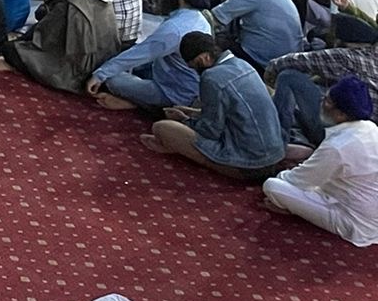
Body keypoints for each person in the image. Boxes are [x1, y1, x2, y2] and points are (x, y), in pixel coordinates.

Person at [143, 31, 286, 181]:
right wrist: (192, 113)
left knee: (162, 128)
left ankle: (198, 156)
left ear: (203, 58)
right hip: (273, 158)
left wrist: (184, 121)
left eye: (194, 67)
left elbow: (210, 131)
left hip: (247, 165)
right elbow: (232, 114)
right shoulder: (242, 64)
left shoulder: (212, 78)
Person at [261, 74, 378, 245]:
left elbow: (299, 181)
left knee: (272, 186)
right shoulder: (371, 128)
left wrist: (282, 175)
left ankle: (291, 207)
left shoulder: (338, 146)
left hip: (351, 220)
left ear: (341, 114)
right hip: (362, 206)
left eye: (328, 101)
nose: (323, 102)